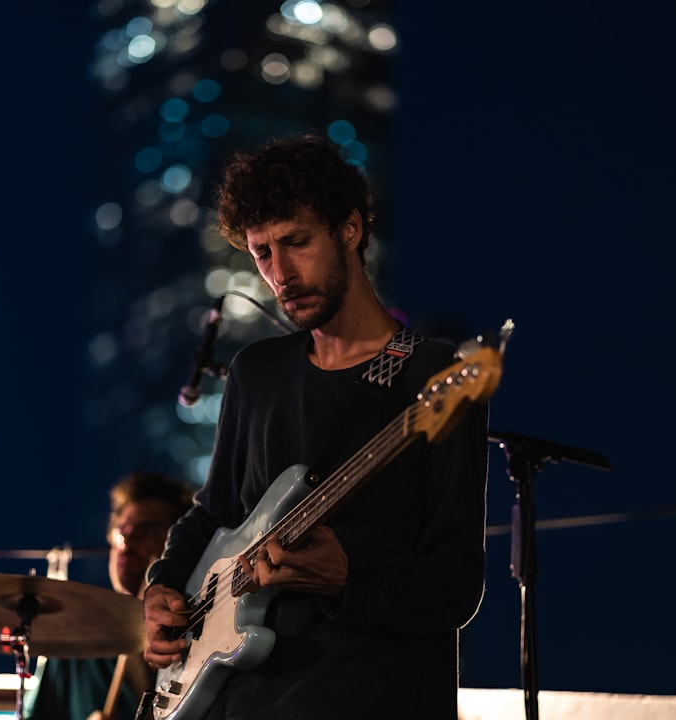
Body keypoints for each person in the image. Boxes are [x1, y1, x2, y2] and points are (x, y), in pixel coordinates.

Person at [142, 132, 490, 719]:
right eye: (262, 253)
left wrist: (348, 575)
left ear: (349, 229)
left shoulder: (433, 377)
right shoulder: (257, 372)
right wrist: (164, 587)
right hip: (242, 700)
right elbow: (213, 513)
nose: (280, 273)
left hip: (372, 699)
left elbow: (456, 587)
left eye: (297, 242)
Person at [26, 471, 194, 720]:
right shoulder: (72, 644)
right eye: (121, 532)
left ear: (179, 546)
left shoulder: (197, 631)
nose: (127, 541)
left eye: (148, 532)